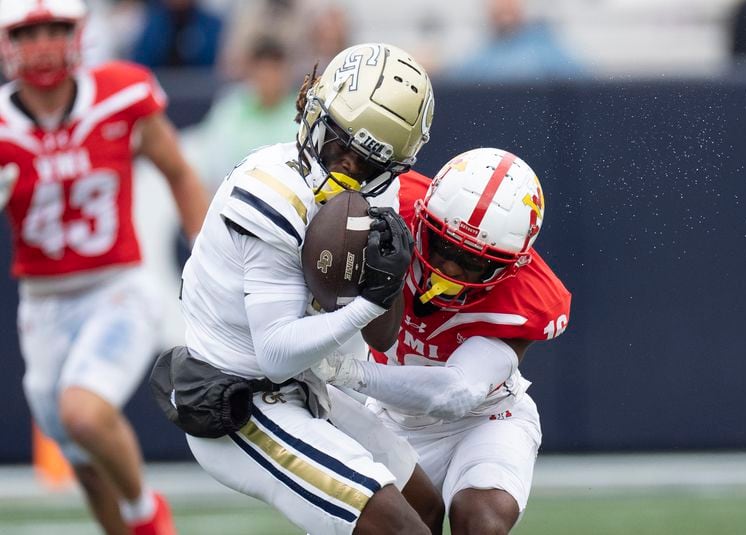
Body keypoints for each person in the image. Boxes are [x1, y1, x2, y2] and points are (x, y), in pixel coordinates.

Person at [176, 42, 441, 534]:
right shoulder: (270, 190)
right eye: (339, 146)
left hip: (304, 385)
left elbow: (382, 338)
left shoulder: (383, 193)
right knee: (401, 530)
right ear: (313, 113)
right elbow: (275, 352)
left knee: (425, 507)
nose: (345, 170)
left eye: (366, 164)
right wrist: (368, 301)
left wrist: (388, 284)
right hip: (240, 400)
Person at [0, 1, 209, 534]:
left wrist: (209, 259)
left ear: (79, 33)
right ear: (8, 42)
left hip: (118, 287)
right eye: (29, 31)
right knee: (85, 464)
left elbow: (178, 172)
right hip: (42, 307)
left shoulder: (121, 93)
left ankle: (148, 518)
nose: (44, 43)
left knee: (84, 413)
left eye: (56, 28)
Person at [311, 147, 572, 534]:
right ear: (424, 220)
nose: (449, 267)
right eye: (444, 246)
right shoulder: (394, 205)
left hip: (485, 418)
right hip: (391, 418)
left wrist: (344, 372)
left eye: (473, 261)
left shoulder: (528, 299)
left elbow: (455, 393)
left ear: (510, 264)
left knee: (481, 521)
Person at [185, 36, 299, 189]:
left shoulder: (300, 114)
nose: (268, 77)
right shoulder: (231, 106)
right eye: (262, 69)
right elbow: (211, 158)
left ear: (286, 73)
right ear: (252, 71)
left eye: (274, 69)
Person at [443, 0, 582, 82]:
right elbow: (459, 79)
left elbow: (581, 77)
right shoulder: (483, 53)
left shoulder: (544, 46)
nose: (504, 5)